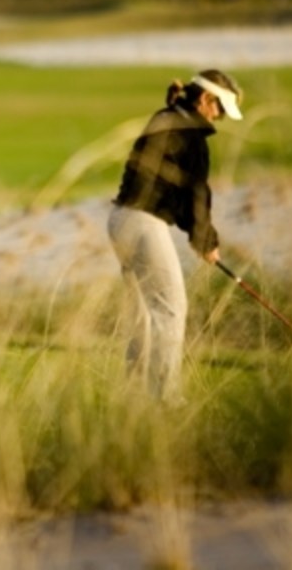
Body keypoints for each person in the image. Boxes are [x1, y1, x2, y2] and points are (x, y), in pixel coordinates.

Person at [107, 69, 243, 402]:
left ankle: (134, 396)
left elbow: (180, 197)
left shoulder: (167, 117)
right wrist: (206, 242)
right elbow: (195, 197)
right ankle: (165, 400)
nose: (219, 117)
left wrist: (199, 237)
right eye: (220, 109)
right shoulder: (191, 137)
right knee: (170, 309)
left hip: (120, 219)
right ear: (206, 100)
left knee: (143, 313)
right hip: (143, 223)